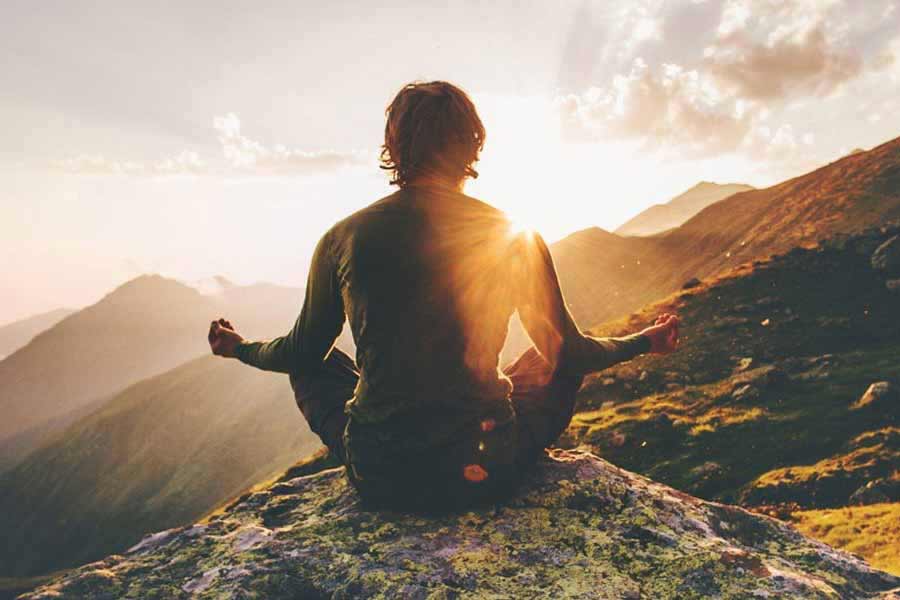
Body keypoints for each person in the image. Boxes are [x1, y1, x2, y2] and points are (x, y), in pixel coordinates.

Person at [208, 81, 679, 511]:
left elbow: (298, 352)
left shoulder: (343, 237)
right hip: (484, 470)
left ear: (394, 145)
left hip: (381, 474)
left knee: (316, 361)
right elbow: (571, 354)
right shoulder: (513, 234)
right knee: (548, 359)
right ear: (473, 143)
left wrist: (239, 348)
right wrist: (643, 341)